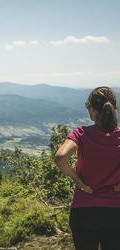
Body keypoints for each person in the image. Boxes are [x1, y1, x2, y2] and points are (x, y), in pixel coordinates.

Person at [54, 86, 120, 250]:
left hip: (83, 211)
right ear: (114, 108)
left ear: (92, 109)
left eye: (88, 107)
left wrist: (78, 181)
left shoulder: (81, 133)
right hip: (115, 212)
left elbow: (61, 157)